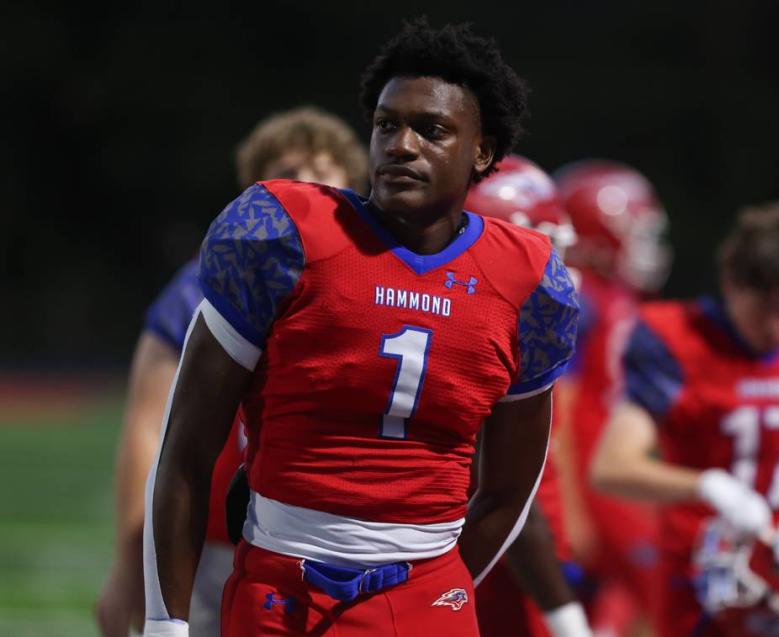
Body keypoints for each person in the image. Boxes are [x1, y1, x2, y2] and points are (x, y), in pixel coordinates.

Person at [144, 18, 579, 637]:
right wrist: (165, 626)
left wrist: (437, 587)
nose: (401, 145)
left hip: (427, 594)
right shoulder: (283, 234)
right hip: (280, 586)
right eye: (386, 124)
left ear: (481, 152)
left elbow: (509, 492)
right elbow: (184, 450)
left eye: (431, 130)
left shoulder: (527, 282)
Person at [95, 106, 368, 637]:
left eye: (321, 170)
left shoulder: (376, 279)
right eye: (291, 171)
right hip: (219, 540)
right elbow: (148, 430)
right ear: (256, 188)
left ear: (352, 184)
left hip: (342, 540)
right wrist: (131, 566)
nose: (306, 185)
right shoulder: (208, 280)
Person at [590, 206, 779, 637]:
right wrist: (706, 486)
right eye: (762, 310)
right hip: (697, 573)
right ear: (730, 286)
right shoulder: (677, 339)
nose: (776, 329)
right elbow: (612, 467)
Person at [465, 155, 591, 637]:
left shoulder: (523, 337)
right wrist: (569, 620)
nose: (558, 268)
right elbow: (509, 498)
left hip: (515, 555)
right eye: (543, 247)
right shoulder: (479, 343)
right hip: (497, 567)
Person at [553, 160, 672, 635]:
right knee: (661, 587)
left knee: (617, 591)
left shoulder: (613, 295)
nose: (647, 245)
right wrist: (570, 504)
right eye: (636, 230)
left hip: (610, 468)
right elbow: (558, 406)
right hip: (592, 473)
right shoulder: (581, 300)